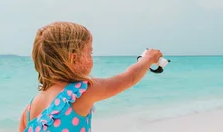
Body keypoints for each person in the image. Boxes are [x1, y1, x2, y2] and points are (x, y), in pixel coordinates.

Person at [18, 21, 163, 132]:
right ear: (73, 58)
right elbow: (128, 78)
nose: (92, 56)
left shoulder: (29, 110)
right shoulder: (80, 91)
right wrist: (147, 59)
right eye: (90, 52)